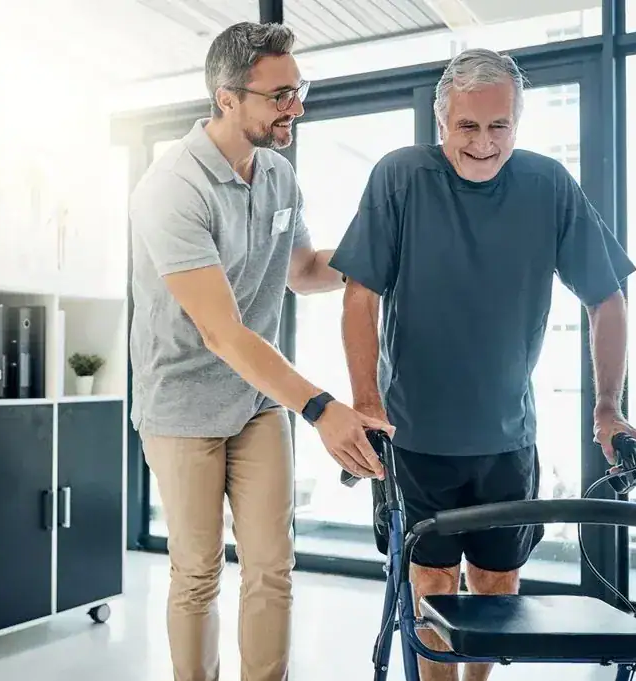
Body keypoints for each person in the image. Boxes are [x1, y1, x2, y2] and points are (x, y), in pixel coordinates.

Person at [329, 48, 636, 681]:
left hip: (506, 438)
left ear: (517, 123)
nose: (483, 142)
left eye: (498, 125)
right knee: (433, 581)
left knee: (497, 582)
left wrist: (608, 407)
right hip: (413, 437)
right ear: (442, 121)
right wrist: (364, 402)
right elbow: (359, 294)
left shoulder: (548, 184)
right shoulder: (400, 176)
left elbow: (607, 296)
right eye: (467, 126)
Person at [127, 21, 392, 681]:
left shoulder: (277, 176)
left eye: (297, 91)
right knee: (197, 570)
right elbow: (221, 331)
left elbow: (301, 270)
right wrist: (323, 406)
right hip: (182, 403)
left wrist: (378, 257)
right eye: (279, 96)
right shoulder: (172, 189)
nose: (295, 108)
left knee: (273, 565)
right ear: (227, 99)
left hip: (256, 400)